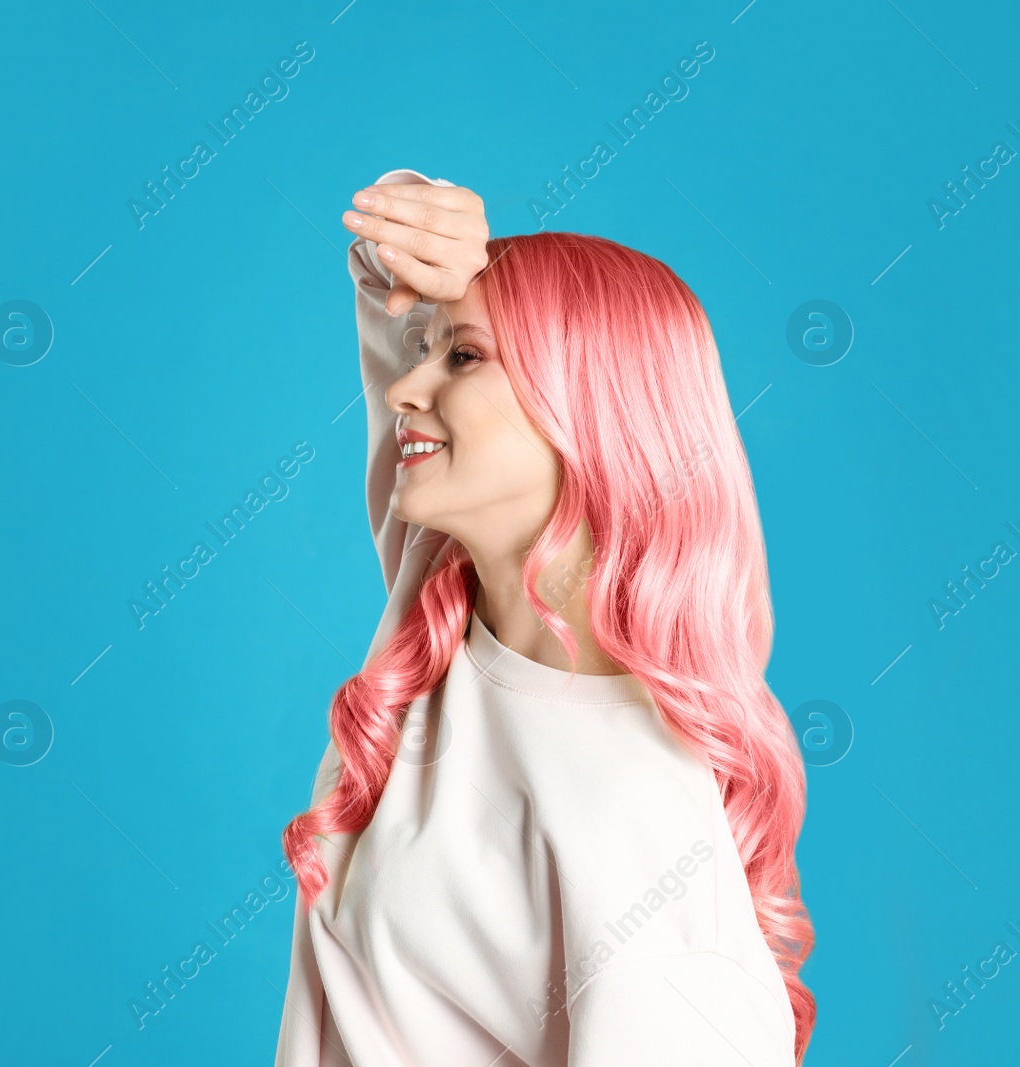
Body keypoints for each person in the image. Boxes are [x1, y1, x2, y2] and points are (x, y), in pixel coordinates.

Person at [274, 168, 815, 1066]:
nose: (408, 388)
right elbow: (387, 314)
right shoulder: (442, 611)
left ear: (589, 409)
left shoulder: (640, 821)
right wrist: (412, 239)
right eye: (423, 351)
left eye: (463, 356)